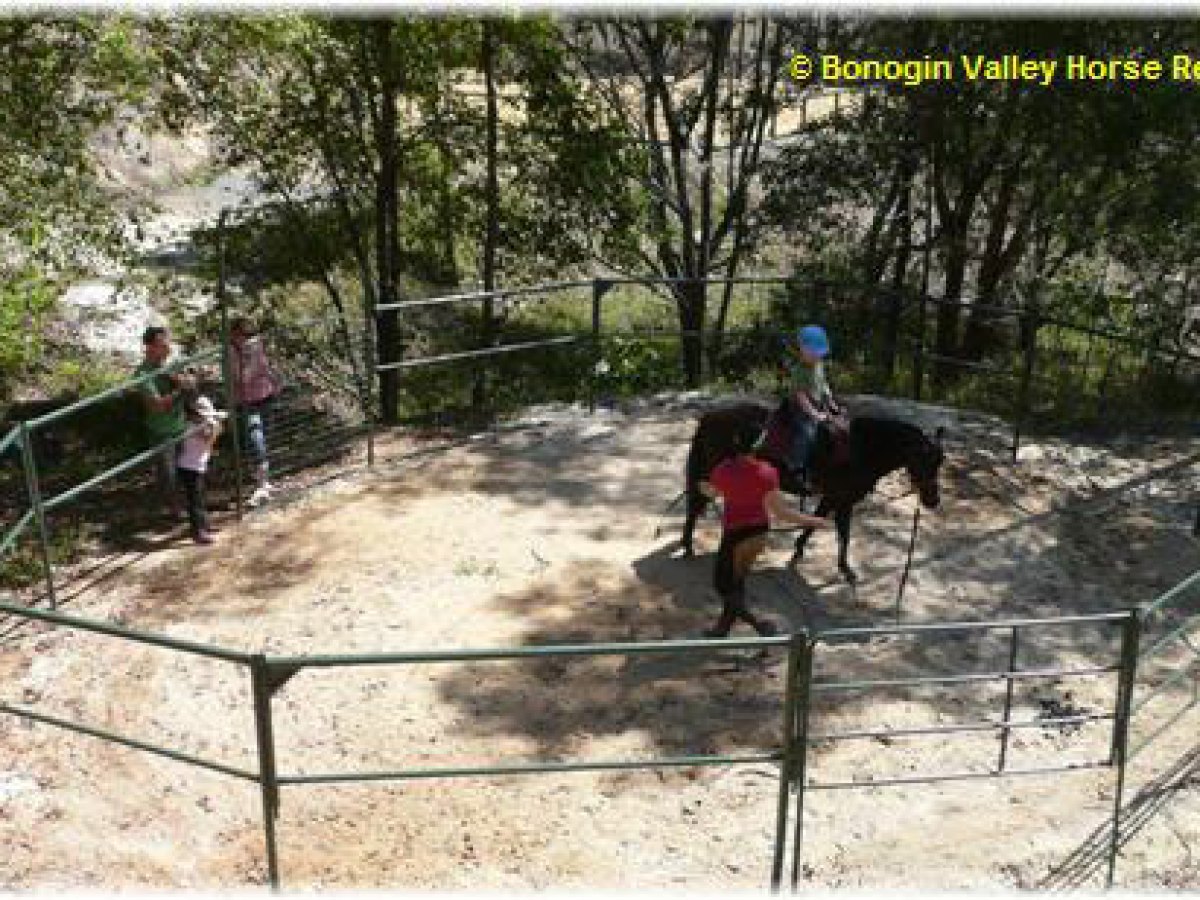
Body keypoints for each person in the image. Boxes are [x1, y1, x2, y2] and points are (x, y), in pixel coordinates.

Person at [698, 419, 830, 638]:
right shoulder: (768, 473)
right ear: (758, 445)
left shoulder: (722, 470)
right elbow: (782, 513)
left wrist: (703, 489)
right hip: (758, 533)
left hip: (735, 534)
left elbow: (714, 493)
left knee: (722, 585)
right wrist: (816, 521)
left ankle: (760, 625)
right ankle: (722, 628)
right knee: (737, 582)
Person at [133, 326, 192, 519]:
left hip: (181, 425)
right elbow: (156, 406)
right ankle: (175, 510)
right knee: (168, 474)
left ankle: (190, 504)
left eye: (167, 344)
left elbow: (191, 384)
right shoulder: (143, 374)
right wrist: (179, 390)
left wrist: (183, 381)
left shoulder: (171, 365)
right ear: (149, 347)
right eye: (162, 345)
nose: (167, 349)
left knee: (188, 468)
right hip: (161, 431)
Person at [228, 317, 281, 507]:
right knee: (256, 440)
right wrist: (250, 357)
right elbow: (242, 378)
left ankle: (264, 483)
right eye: (244, 334)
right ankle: (260, 485)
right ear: (234, 334)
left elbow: (265, 368)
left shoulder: (255, 348)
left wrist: (275, 382)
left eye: (250, 334)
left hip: (265, 396)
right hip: (247, 402)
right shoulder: (231, 352)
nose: (248, 338)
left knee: (266, 438)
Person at [781, 324, 841, 479]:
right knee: (807, 432)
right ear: (802, 349)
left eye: (818, 353)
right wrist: (814, 414)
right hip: (800, 407)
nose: (816, 356)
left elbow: (823, 383)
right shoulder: (799, 371)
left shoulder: (818, 365)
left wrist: (830, 400)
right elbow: (801, 396)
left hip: (818, 402)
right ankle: (795, 464)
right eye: (813, 352)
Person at [176, 393, 227, 545]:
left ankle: (204, 525)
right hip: (189, 468)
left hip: (197, 466)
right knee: (195, 501)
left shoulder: (200, 424)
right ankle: (198, 532)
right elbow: (209, 438)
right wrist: (216, 425)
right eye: (201, 415)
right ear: (193, 414)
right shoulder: (192, 427)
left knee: (200, 498)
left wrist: (215, 422)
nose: (204, 417)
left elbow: (212, 438)